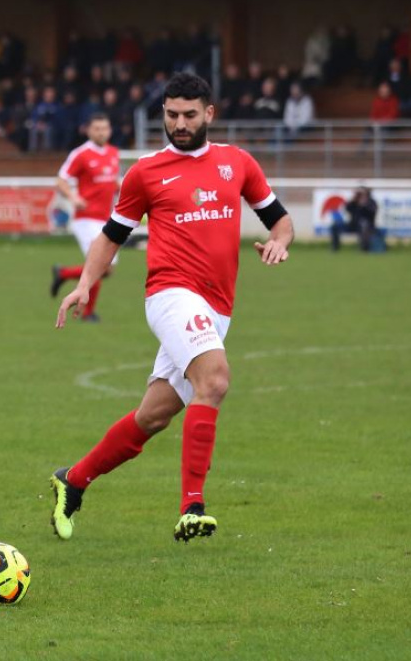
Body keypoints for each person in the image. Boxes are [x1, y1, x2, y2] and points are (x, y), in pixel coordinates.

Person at [49, 73, 294, 543]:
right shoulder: (146, 172)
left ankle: (72, 480)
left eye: (189, 115)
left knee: (153, 416)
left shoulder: (237, 163)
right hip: (170, 294)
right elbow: (111, 235)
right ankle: (192, 508)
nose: (179, 124)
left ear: (209, 114)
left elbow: (279, 220)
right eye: (171, 115)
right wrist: (83, 285)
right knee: (214, 380)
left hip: (218, 305)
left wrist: (280, 242)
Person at [50, 113, 120, 323]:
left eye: (104, 128)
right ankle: (88, 313)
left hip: (107, 218)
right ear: (89, 131)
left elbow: (112, 182)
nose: (101, 132)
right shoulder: (80, 154)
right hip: (86, 218)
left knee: (106, 269)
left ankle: (63, 273)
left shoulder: (113, 153)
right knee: (99, 264)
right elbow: (61, 180)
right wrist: (73, 197)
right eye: (97, 128)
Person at [330, 187, 379, 252]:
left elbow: (371, 213)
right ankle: (335, 248)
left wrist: (363, 205)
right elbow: (347, 208)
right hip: (353, 225)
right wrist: (353, 200)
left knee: (364, 225)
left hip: (367, 226)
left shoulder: (371, 202)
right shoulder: (354, 202)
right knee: (335, 226)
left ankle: (364, 249)